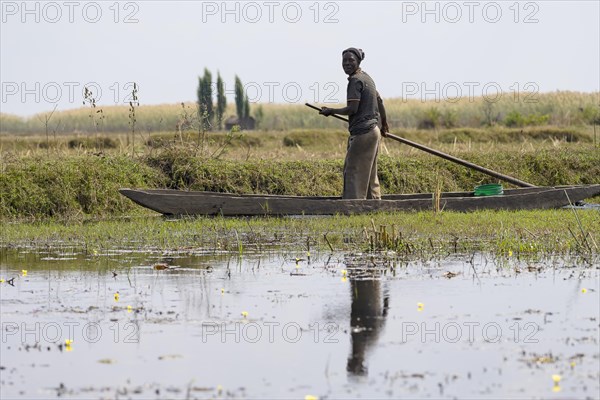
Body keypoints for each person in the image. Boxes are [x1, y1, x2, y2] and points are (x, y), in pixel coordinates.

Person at [320, 47, 389, 200]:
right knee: (370, 171)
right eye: (344, 61)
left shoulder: (355, 80)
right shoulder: (367, 78)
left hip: (363, 132)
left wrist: (331, 111)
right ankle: (374, 202)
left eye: (351, 60)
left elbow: (352, 109)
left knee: (353, 169)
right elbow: (380, 102)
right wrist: (383, 125)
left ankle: (353, 204)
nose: (347, 63)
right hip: (374, 131)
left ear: (358, 61)